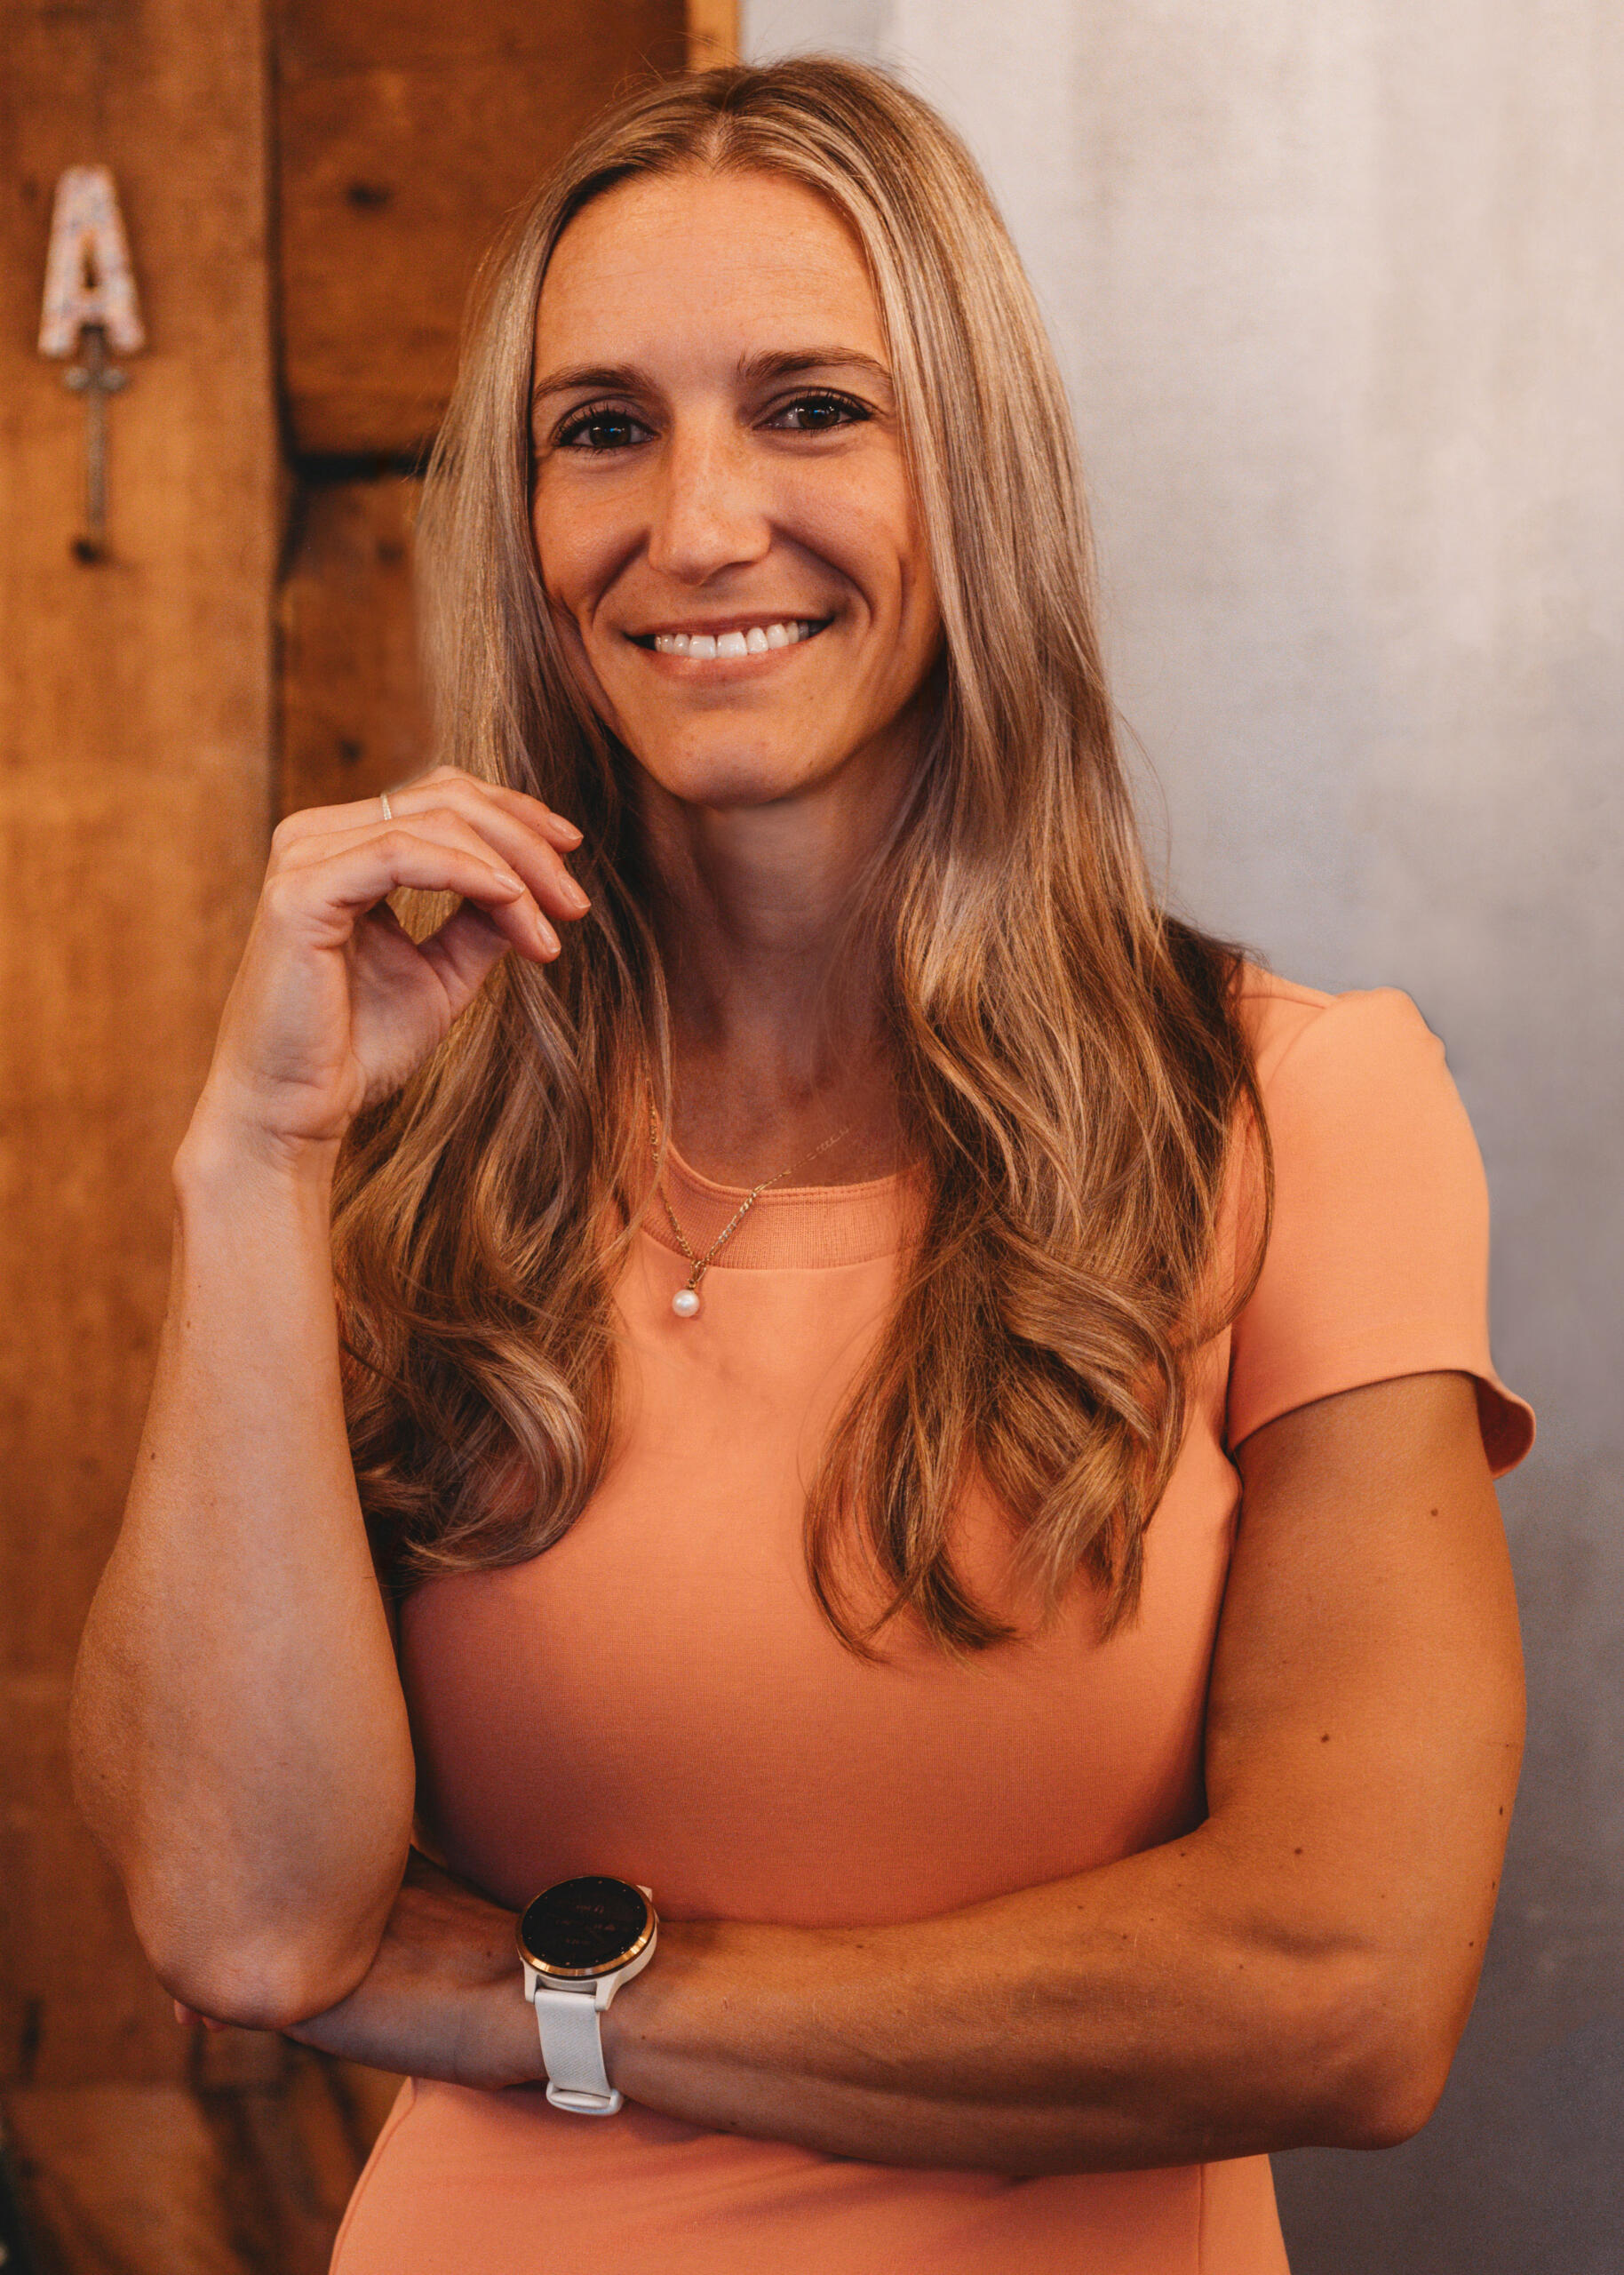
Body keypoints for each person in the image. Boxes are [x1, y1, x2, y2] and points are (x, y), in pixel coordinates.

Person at [69, 57, 1533, 2275]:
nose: (695, 525)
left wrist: (531, 1994)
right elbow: (245, 1917)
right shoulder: (394, 1149)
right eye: (601, 427)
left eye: (811, 407)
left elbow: (1339, 1987)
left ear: (974, 472)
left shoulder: (1292, 1106)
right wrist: (252, 1156)